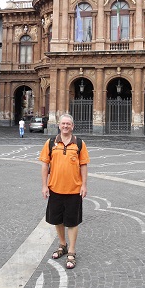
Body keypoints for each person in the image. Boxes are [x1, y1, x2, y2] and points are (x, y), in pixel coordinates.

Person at [39, 114, 90, 269]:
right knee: (57, 220)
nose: (66, 126)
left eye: (68, 124)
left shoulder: (79, 144)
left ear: (72, 126)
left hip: (74, 190)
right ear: (59, 125)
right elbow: (45, 165)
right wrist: (44, 186)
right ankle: (62, 244)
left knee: (72, 222)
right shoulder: (50, 143)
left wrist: (84, 185)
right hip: (55, 188)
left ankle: (72, 251)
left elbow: (84, 166)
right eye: (63, 123)